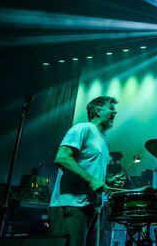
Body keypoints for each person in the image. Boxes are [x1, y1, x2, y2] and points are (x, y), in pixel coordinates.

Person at [48, 96, 125, 246]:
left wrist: (107, 181)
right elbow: (62, 158)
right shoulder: (83, 128)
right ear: (97, 110)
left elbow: (91, 175)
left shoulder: (104, 142)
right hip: (71, 205)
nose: (115, 112)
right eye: (111, 108)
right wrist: (91, 180)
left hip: (92, 208)